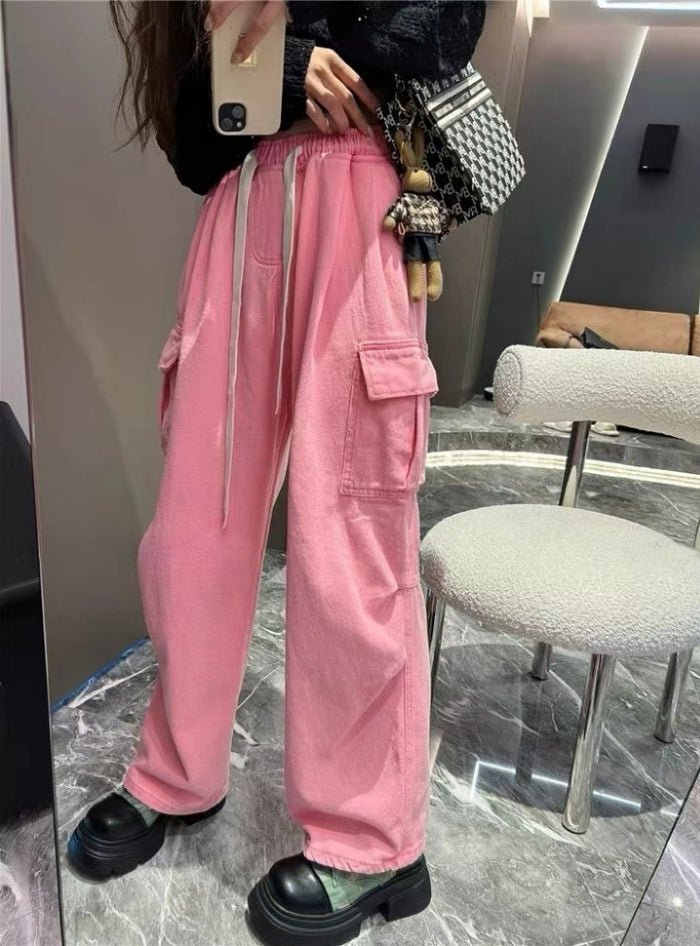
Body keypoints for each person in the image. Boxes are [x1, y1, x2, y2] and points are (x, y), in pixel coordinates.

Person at [68, 2, 485, 943]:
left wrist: (283, 52)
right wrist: (286, 68)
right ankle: (180, 770)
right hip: (239, 209)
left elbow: (440, 30)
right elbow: (192, 146)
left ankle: (373, 839)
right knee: (193, 531)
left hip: (362, 204)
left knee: (349, 535)